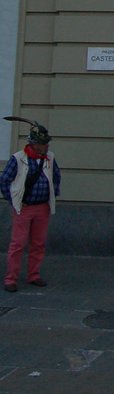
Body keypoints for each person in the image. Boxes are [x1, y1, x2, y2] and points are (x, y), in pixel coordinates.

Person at [1, 120, 60, 292]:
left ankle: (34, 275)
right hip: (24, 207)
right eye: (43, 143)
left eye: (46, 143)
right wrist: (13, 200)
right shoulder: (18, 158)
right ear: (34, 144)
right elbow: (5, 180)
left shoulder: (50, 157)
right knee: (18, 244)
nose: (46, 146)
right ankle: (11, 278)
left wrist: (52, 194)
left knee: (38, 243)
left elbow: (56, 176)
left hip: (42, 207)